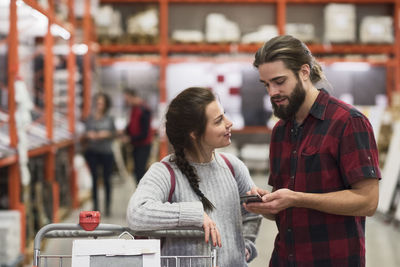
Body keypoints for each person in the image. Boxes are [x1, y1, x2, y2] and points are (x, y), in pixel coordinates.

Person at [244, 35, 381, 267]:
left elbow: (368, 201)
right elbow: (285, 210)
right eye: (266, 84)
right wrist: (267, 203)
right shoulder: (280, 131)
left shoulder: (347, 122)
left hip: (332, 260)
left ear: (304, 72)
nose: (272, 92)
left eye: (279, 81)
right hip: (284, 259)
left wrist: (296, 198)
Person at [126, 87, 262, 266]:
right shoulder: (165, 172)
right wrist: (195, 214)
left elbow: (251, 213)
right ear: (194, 133)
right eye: (219, 120)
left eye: (224, 115)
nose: (229, 123)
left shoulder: (233, 167)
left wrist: (245, 247)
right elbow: (137, 214)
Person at [84, 92, 116, 216]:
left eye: (102, 103)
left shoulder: (109, 118)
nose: (99, 105)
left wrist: (105, 134)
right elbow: (86, 132)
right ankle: (96, 206)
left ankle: (108, 206)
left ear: (106, 104)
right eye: (98, 103)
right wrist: (89, 135)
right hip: (93, 152)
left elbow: (113, 133)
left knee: (107, 180)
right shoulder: (90, 118)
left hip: (106, 153)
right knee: (94, 179)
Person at [123, 88, 153, 184]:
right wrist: (124, 131)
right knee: (136, 172)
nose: (126, 102)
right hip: (136, 145)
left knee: (140, 173)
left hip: (143, 146)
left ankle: (143, 196)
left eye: (127, 99)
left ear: (132, 97)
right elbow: (131, 125)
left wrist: (129, 138)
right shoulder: (133, 109)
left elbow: (144, 133)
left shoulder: (144, 110)